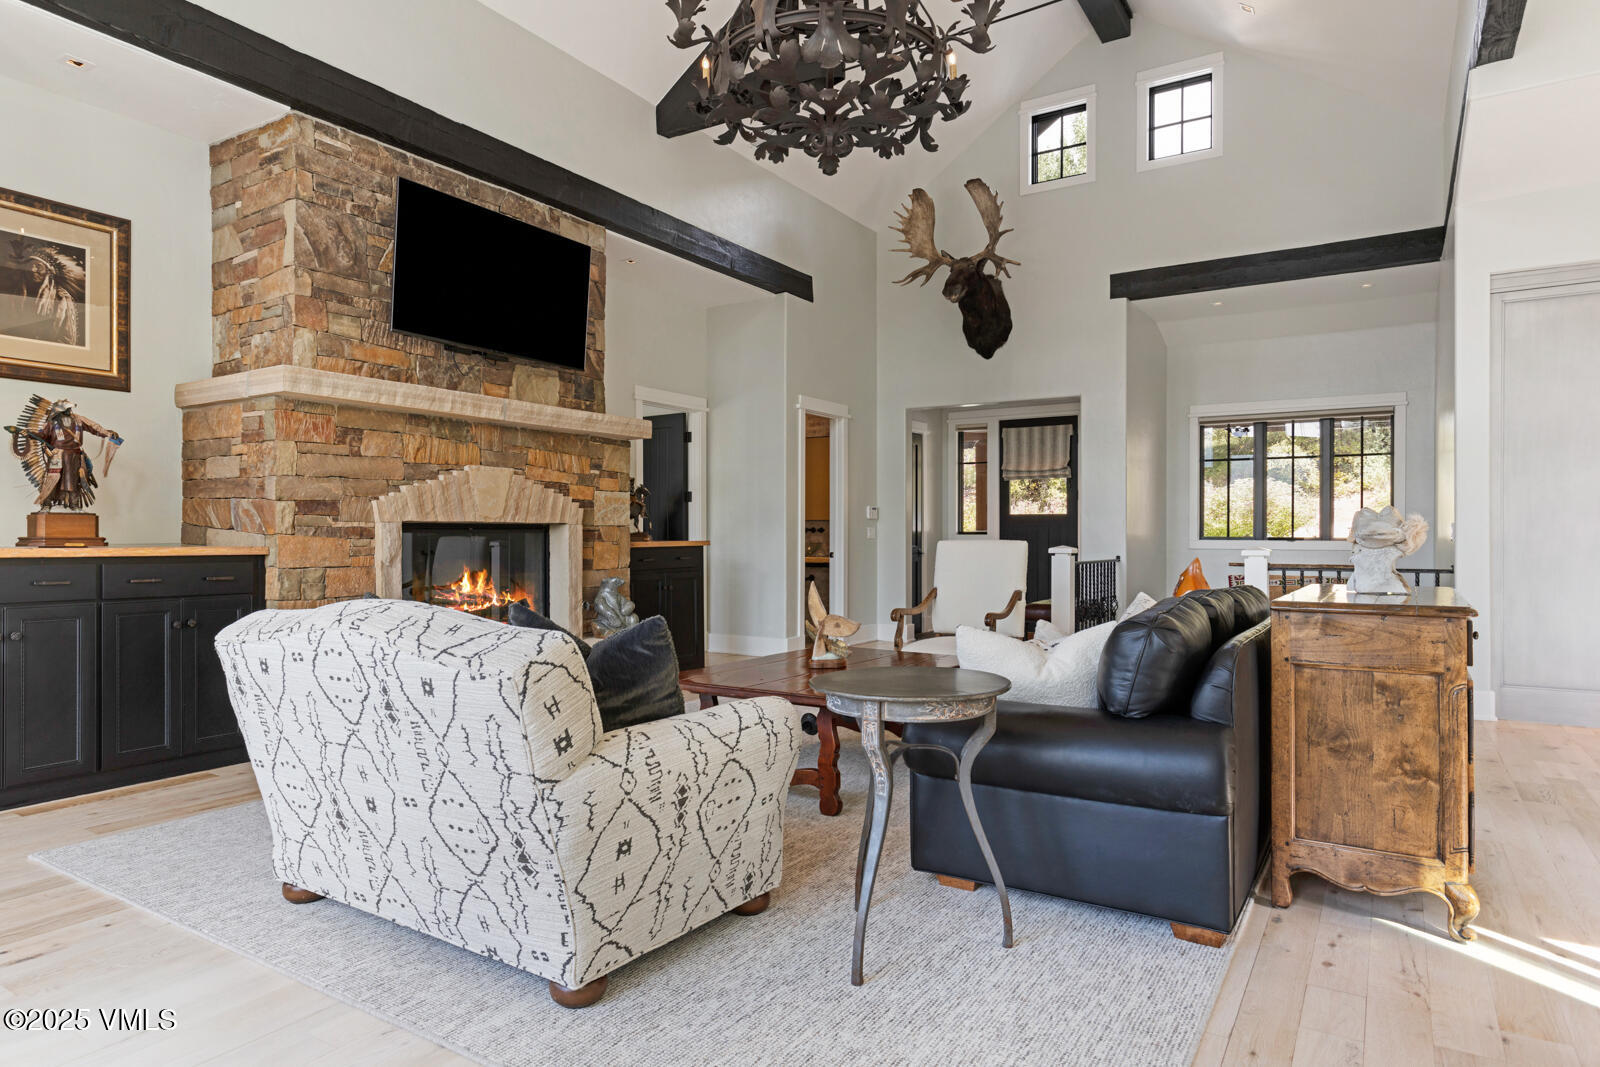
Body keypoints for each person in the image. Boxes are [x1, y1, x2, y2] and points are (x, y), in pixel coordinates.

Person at [6, 398, 121, 511]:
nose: (69, 411)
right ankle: (46, 503)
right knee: (52, 479)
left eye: (69, 409)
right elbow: (41, 435)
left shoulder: (79, 420)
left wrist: (108, 433)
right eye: (67, 409)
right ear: (59, 411)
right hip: (58, 456)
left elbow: (95, 427)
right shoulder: (51, 423)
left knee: (73, 480)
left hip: (75, 455)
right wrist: (29, 433)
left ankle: (74, 504)